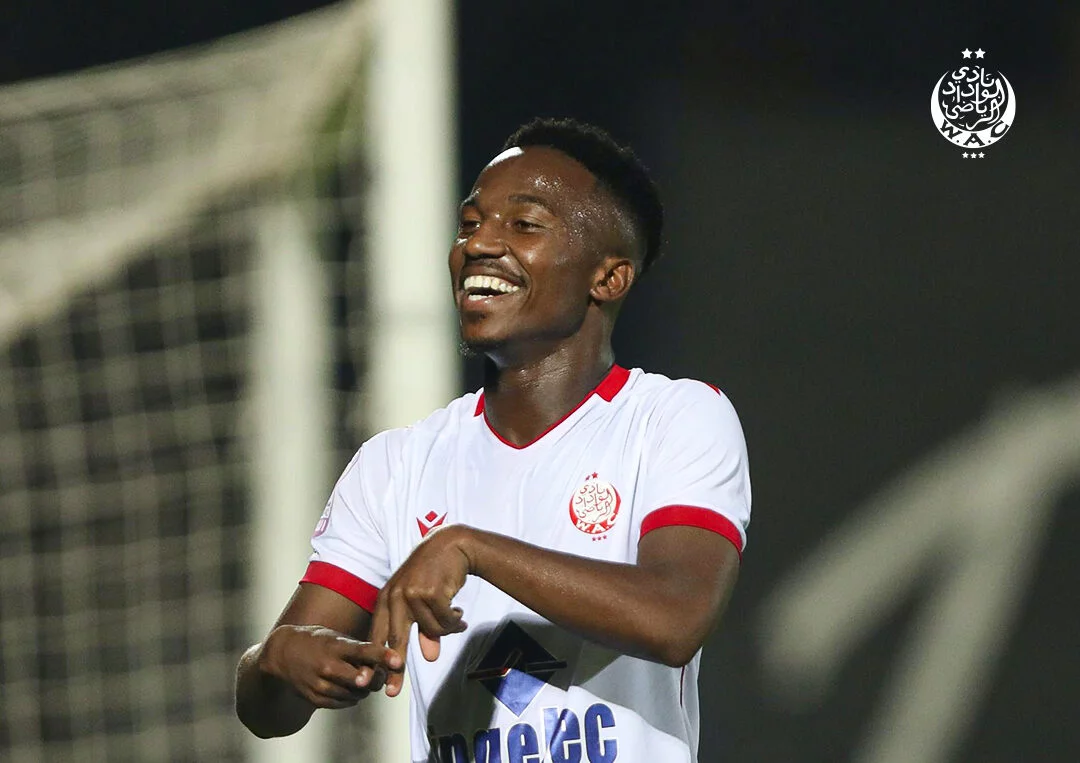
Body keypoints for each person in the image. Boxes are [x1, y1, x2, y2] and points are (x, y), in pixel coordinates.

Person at [235, 117, 751, 762]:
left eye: (524, 224)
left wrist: (472, 549)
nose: (479, 243)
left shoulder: (673, 418)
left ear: (608, 278)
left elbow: (675, 618)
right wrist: (277, 661)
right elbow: (267, 712)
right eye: (470, 223)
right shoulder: (396, 464)